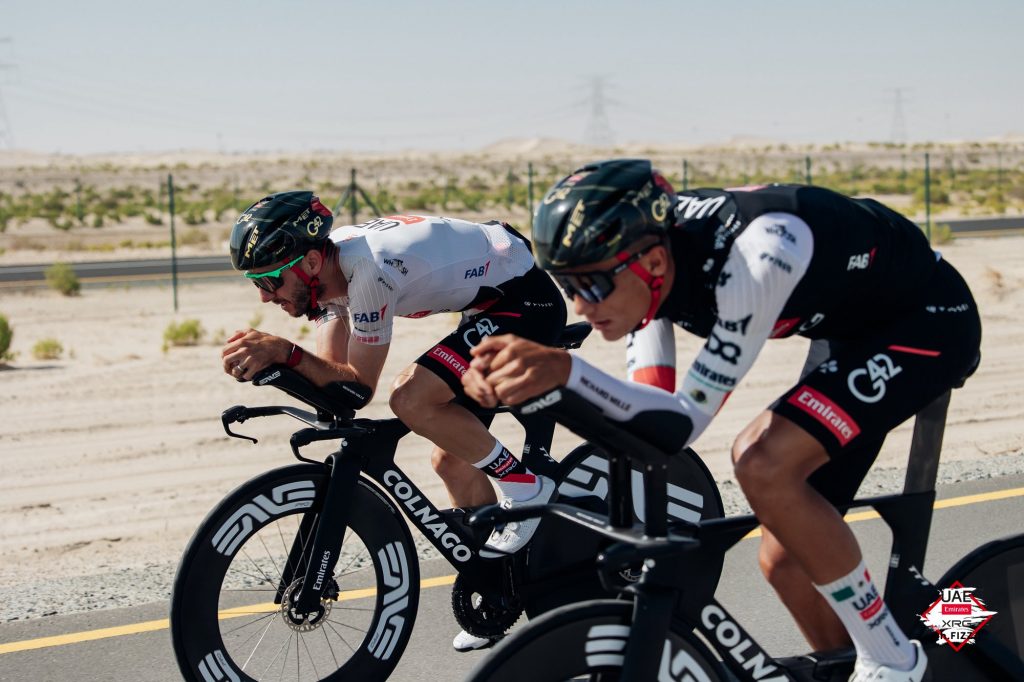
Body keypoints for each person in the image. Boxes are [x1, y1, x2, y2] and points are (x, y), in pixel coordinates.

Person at [462, 159, 982, 681]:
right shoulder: (651, 268)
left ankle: (893, 657)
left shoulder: (757, 258)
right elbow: (648, 421)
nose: (580, 305)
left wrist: (565, 371)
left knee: (761, 463)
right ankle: (934, 642)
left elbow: (681, 424)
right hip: (850, 328)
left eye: (593, 285)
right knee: (787, 562)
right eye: (567, 285)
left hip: (928, 318)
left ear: (655, 262)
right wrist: (542, 388)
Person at [221, 191, 567, 649]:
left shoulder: (369, 272)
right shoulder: (329, 280)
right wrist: (281, 368)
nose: (266, 297)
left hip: (526, 302)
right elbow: (336, 388)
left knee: (411, 398)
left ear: (307, 263)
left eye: (269, 279)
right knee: (452, 460)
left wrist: (285, 352)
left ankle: (526, 487)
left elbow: (359, 384)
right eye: (256, 284)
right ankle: (498, 592)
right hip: (488, 305)